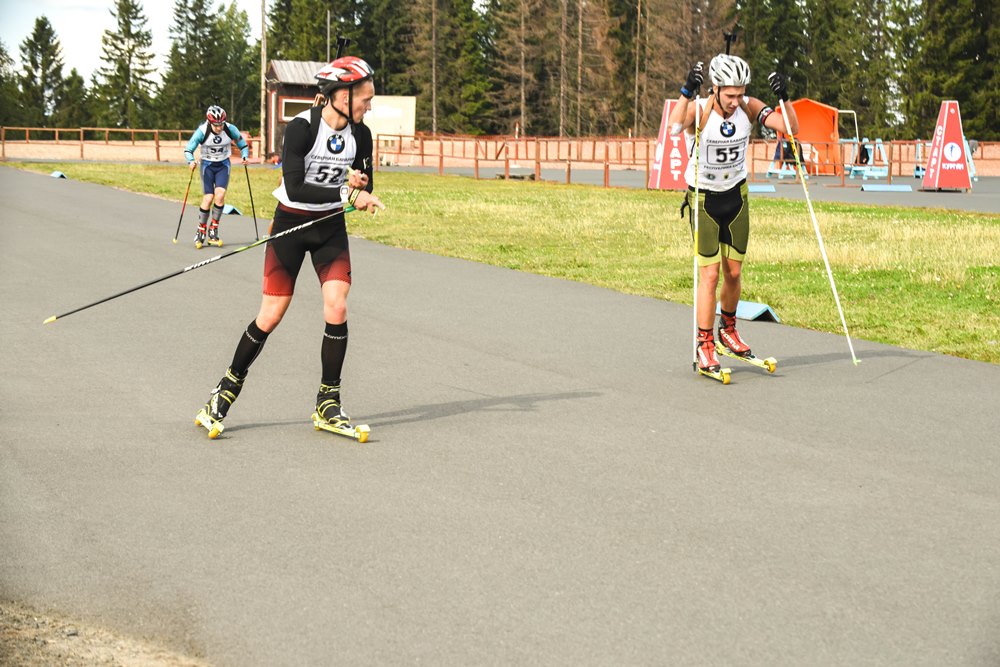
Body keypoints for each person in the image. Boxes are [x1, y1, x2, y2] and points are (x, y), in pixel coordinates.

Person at [196, 55, 384, 437]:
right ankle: (224, 391)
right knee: (271, 314)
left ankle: (328, 402)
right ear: (341, 96)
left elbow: (364, 188)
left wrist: (361, 186)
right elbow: (296, 187)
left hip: (329, 227)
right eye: (365, 98)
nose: (370, 105)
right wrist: (348, 190)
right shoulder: (301, 128)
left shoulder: (361, 135)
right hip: (292, 224)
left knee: (337, 304)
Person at [668, 54, 798, 373]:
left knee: (734, 273)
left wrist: (785, 97)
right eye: (730, 95)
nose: (736, 101)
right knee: (710, 275)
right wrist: (686, 90)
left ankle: (728, 331)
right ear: (715, 88)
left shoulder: (749, 106)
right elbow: (673, 128)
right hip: (704, 198)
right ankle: (704, 345)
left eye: (741, 93)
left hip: (736, 195)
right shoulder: (699, 111)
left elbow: (790, 129)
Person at [184, 105, 250, 249]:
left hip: (223, 165)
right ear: (209, 122)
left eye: (221, 124)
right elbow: (188, 149)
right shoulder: (202, 131)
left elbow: (243, 145)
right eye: (216, 125)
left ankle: (213, 230)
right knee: (208, 198)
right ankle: (201, 230)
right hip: (207, 166)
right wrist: (190, 161)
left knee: (220, 195)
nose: (219, 128)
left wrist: (245, 156)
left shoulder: (230, 128)